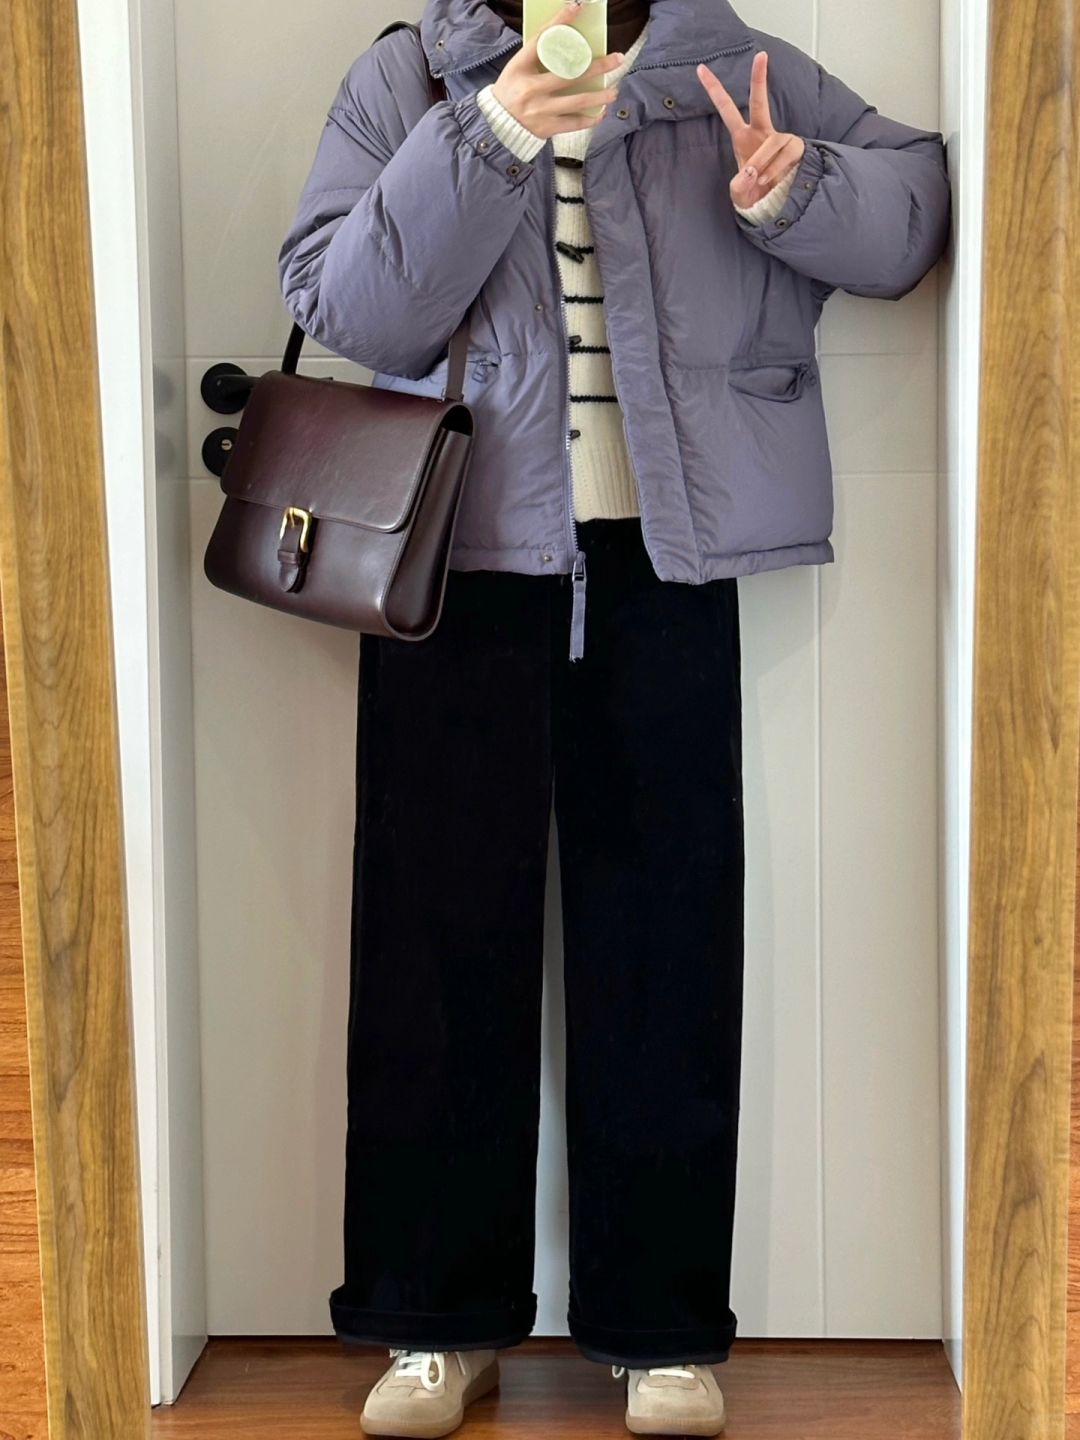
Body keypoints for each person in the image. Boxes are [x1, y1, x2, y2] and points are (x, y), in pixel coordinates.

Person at [277, 0, 951, 1434]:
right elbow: (346, 306)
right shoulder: (415, 71)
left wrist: (796, 193)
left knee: (669, 944)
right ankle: (433, 1322)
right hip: (449, 565)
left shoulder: (725, 59)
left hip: (668, 561)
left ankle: (662, 1332)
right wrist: (493, 133)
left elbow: (914, 216)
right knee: (431, 950)